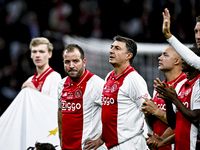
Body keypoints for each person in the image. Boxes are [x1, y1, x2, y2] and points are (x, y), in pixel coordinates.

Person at [91, 35, 151, 149]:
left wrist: (153, 135)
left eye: (117, 48)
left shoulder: (134, 79)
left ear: (128, 55)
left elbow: (149, 110)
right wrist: (102, 138)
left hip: (129, 144)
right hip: (113, 144)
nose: (111, 51)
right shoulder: (110, 76)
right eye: (111, 47)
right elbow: (109, 111)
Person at [57, 44, 107, 150]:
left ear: (84, 62)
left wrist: (102, 139)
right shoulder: (61, 85)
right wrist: (61, 138)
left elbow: (115, 112)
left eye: (75, 61)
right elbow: (61, 111)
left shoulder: (97, 84)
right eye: (67, 62)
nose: (71, 66)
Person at [151, 46, 200, 150]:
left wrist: (173, 99)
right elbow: (174, 124)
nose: (183, 59)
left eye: (186, 56)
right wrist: (167, 101)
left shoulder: (198, 85)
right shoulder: (182, 86)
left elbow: (196, 117)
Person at [141, 45, 187, 150]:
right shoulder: (160, 87)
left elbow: (182, 124)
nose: (159, 58)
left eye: (165, 55)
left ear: (176, 61)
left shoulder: (186, 86)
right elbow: (155, 126)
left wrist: (156, 110)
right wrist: (148, 114)